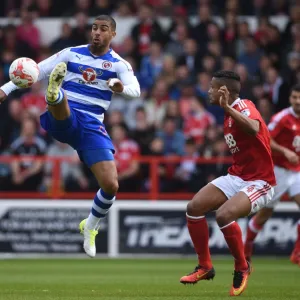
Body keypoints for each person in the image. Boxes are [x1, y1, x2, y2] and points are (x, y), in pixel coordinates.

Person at [0, 15, 140, 258]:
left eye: (103, 29)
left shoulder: (119, 65)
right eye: (94, 28)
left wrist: (120, 88)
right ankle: (54, 95)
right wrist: (5, 89)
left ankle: (90, 226)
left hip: (92, 126)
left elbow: (135, 91)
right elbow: (35, 71)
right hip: (66, 115)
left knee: (111, 184)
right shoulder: (70, 53)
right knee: (60, 101)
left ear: (112, 34)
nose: (97, 32)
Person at [179, 71, 276, 297]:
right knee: (194, 208)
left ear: (225, 91)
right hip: (237, 176)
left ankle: (242, 267)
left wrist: (228, 107)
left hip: (261, 181)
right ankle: (205, 266)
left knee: (223, 215)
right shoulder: (227, 112)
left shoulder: (243, 107)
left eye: (213, 87)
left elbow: (253, 128)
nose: (209, 91)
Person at [244, 84, 300, 265]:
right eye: (294, 97)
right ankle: (247, 247)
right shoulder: (282, 118)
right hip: (278, 170)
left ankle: (297, 253)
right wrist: (285, 151)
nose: (297, 101)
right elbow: (265, 137)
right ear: (290, 98)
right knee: (264, 214)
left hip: (297, 171)